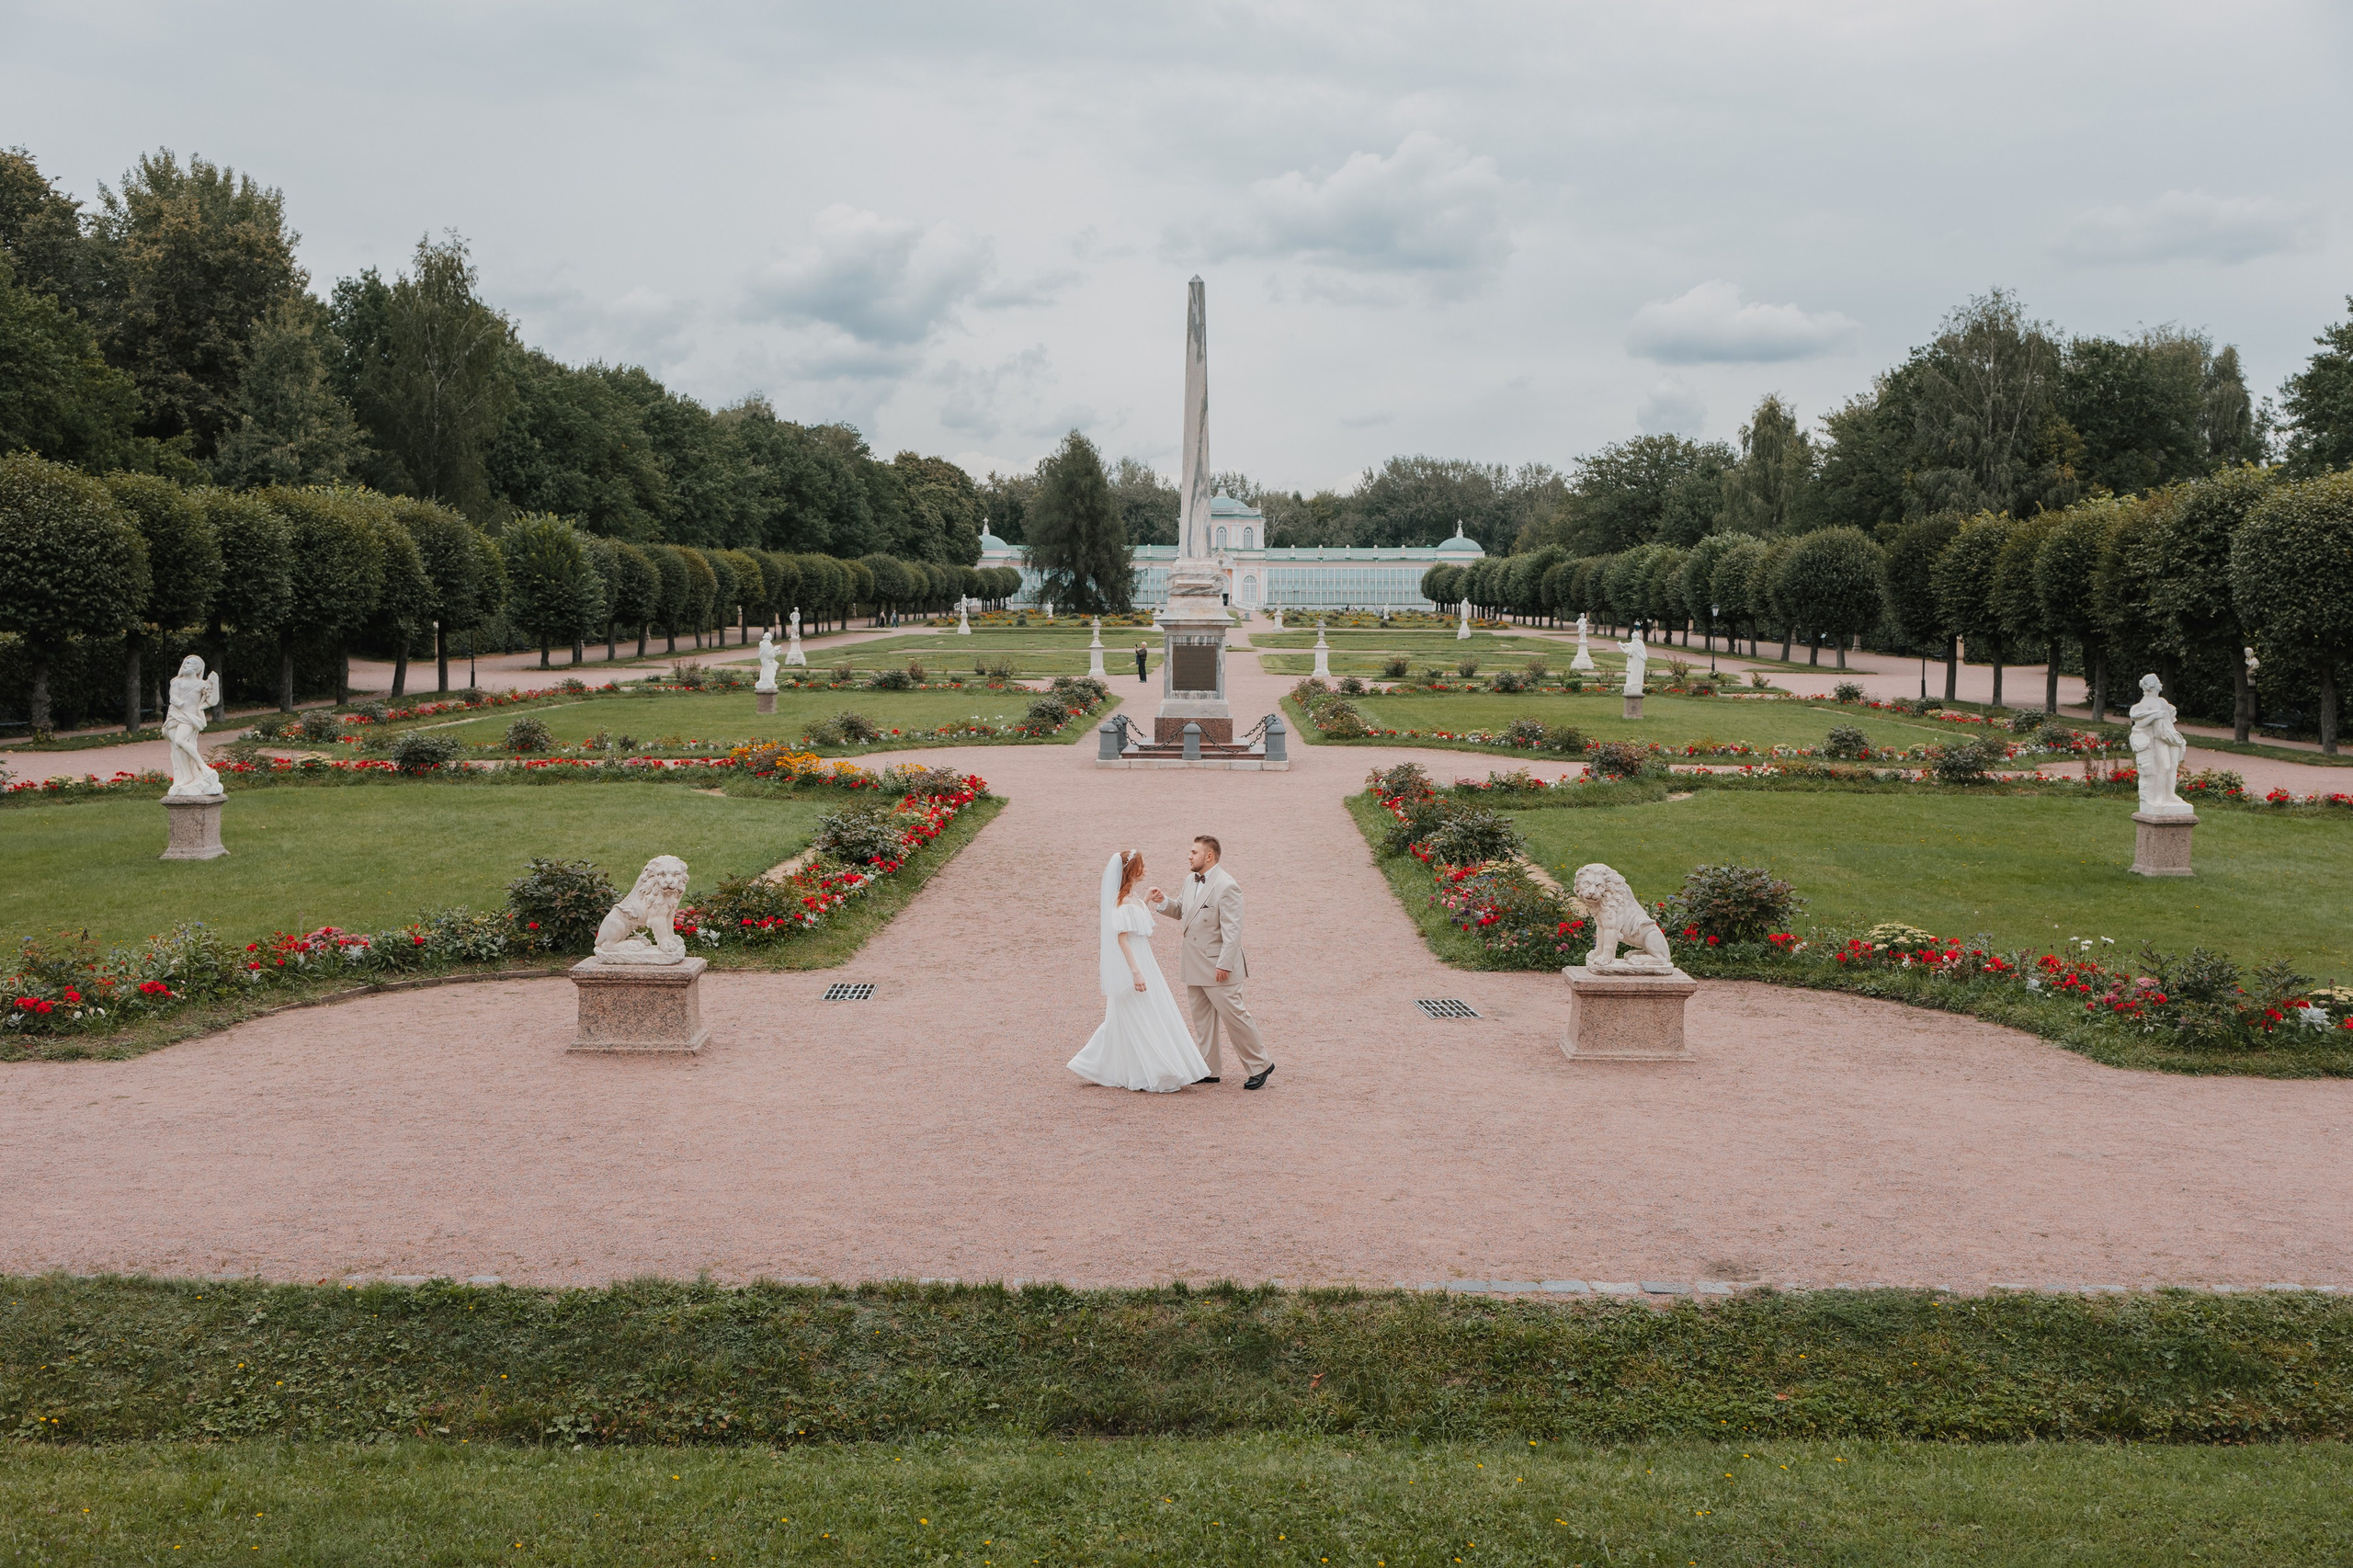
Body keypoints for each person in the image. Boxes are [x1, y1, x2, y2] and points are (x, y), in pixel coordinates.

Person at [1068, 850, 1211, 1093]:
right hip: (1133, 961)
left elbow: (1135, 924)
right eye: (1142, 866)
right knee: (1136, 1014)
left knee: (1145, 1012)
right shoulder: (1121, 901)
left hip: (1143, 959)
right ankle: (1145, 1068)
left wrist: (1144, 900)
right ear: (1132, 869)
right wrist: (1135, 972)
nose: (1146, 869)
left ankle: (1122, 1065)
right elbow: (1122, 939)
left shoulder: (1131, 899)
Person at [1147, 835, 1274, 1089]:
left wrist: (1224, 965)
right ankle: (1209, 1068)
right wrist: (1164, 902)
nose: (1189, 856)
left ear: (1209, 856)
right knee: (1203, 1020)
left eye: (1194, 852)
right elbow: (1183, 910)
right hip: (1194, 963)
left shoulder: (1227, 886)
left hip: (1218, 967)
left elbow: (1233, 931)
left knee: (1235, 1016)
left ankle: (1260, 1064)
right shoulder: (1189, 879)